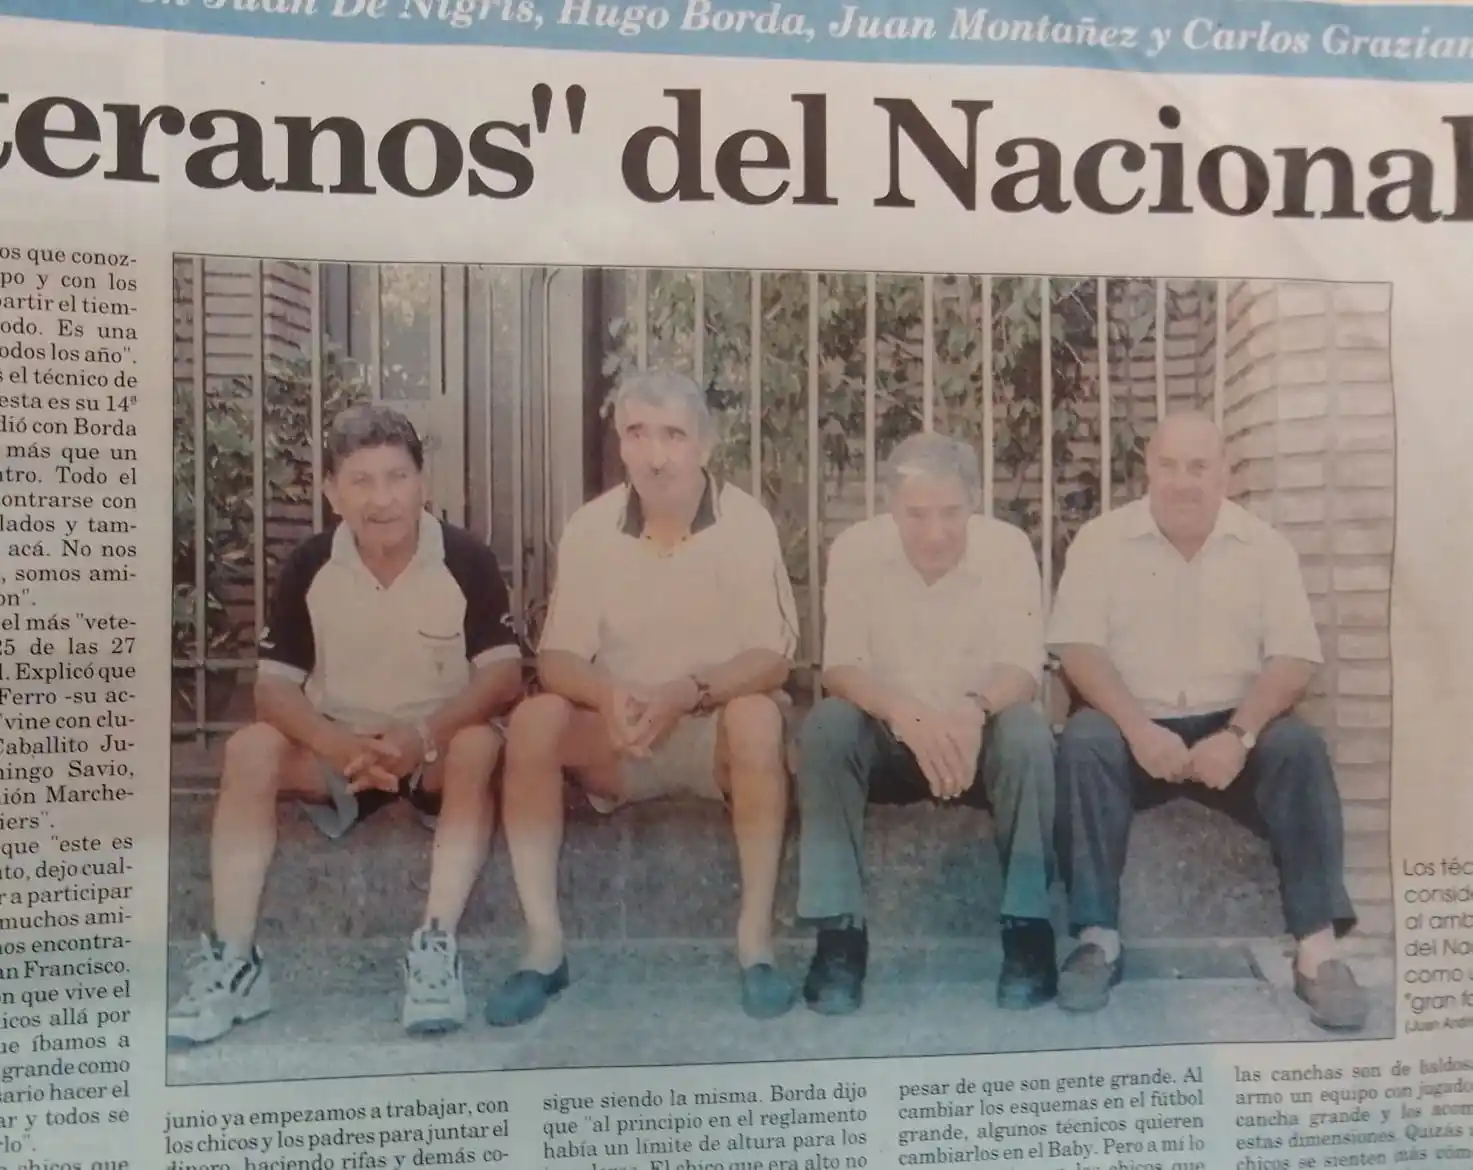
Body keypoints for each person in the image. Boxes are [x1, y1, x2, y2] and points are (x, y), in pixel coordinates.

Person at [166, 404, 524, 1048]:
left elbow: (502, 678)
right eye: (360, 481)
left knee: (477, 747)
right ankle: (236, 962)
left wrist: (421, 737)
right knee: (251, 749)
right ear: (332, 491)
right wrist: (334, 743)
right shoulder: (309, 565)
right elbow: (273, 689)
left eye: (396, 477)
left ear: (422, 482)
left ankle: (436, 947)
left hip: (432, 746)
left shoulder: (467, 558)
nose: (381, 499)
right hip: (340, 748)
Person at [485, 369, 801, 1026]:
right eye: (637, 434)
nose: (656, 456)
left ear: (704, 447)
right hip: (623, 734)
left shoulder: (745, 522)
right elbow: (557, 656)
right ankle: (543, 948)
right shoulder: (591, 526)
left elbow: (771, 656)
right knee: (537, 718)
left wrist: (686, 693)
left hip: (710, 729)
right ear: (620, 444)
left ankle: (755, 945)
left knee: (756, 717)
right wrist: (608, 696)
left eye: (673, 436)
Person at [1048, 411, 1367, 1031]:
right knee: (1084, 742)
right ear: (1148, 469)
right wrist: (1138, 729)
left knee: (1299, 746)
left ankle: (1317, 951)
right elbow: (1079, 650)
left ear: (1225, 472)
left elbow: (1294, 656)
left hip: (1232, 725)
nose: (1183, 482)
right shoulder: (1102, 541)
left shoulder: (1265, 547)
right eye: (1168, 466)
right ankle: (1097, 941)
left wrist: (1240, 735)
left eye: (1199, 467)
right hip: (1134, 722)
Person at [794, 432, 1058, 1015]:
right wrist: (907, 715)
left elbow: (1023, 668)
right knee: (827, 728)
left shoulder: (1008, 548)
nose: (935, 532)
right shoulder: (858, 548)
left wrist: (971, 709)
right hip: (891, 738)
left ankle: (1028, 933)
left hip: (977, 738)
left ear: (975, 502)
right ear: (891, 507)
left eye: (951, 513)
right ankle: (839, 938)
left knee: (1029, 734)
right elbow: (840, 667)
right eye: (917, 515)